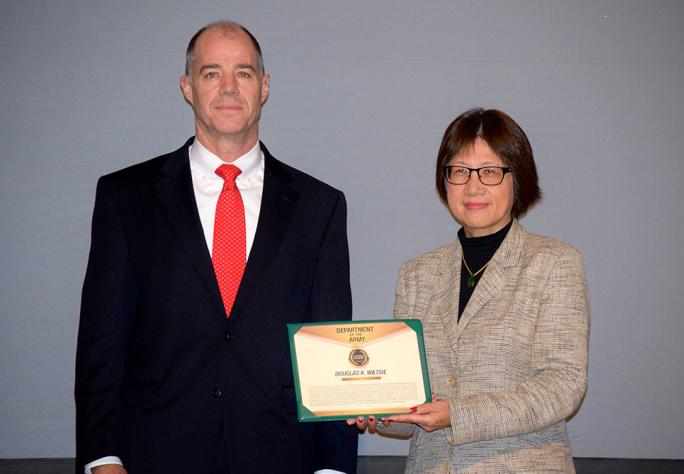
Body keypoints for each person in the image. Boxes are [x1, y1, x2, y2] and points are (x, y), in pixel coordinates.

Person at [75, 20, 357, 474]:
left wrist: (333, 467)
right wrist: (102, 458)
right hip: (153, 456)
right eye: (211, 73)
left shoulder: (320, 206)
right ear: (188, 87)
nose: (229, 87)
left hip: (282, 456)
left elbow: (331, 348)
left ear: (264, 87)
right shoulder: (125, 197)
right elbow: (101, 344)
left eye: (243, 73)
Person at [348, 108, 589, 472]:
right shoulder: (417, 274)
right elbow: (409, 392)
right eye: (459, 171)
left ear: (518, 178)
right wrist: (379, 409)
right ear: (444, 181)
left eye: (490, 172)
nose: (473, 187)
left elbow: (562, 386)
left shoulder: (553, 262)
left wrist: (456, 415)